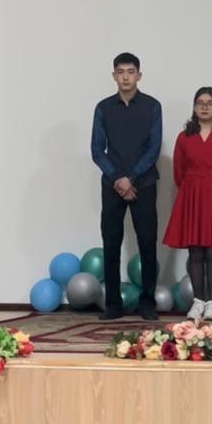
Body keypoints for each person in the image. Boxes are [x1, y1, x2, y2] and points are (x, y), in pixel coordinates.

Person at [90, 52, 162, 321]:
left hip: (144, 183)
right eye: (120, 72)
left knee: (147, 242)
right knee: (111, 243)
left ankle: (147, 303)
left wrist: (130, 177)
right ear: (114, 76)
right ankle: (113, 305)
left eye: (131, 72)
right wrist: (119, 178)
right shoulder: (103, 108)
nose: (126, 77)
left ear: (139, 75)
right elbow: (97, 150)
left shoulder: (152, 106)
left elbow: (154, 147)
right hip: (112, 185)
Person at [163, 87, 212, 321]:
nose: (205, 107)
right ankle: (198, 302)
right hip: (192, 196)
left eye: (209, 103)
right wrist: (193, 187)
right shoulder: (184, 137)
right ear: (194, 107)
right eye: (200, 103)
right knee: (195, 251)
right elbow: (178, 172)